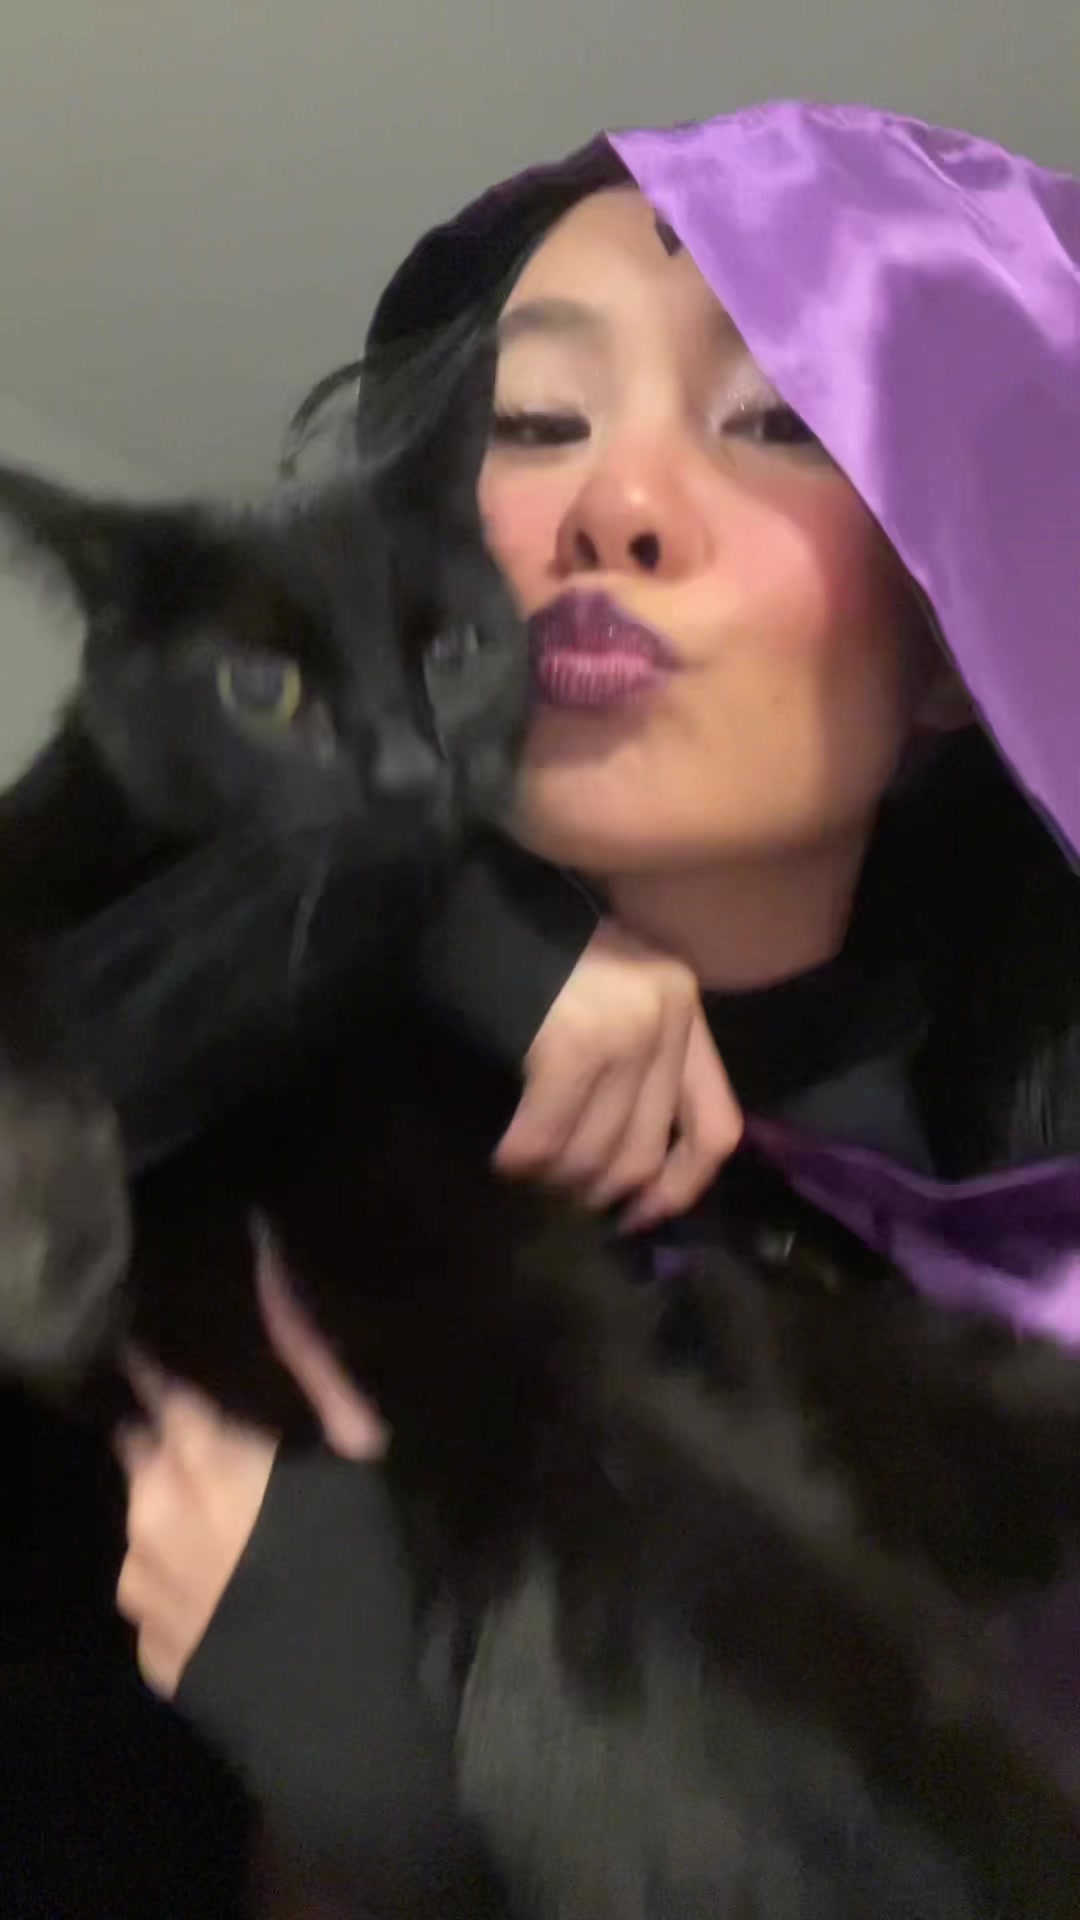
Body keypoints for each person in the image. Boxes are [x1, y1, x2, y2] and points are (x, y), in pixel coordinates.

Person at [115, 99, 1080, 1907]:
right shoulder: (234, 1044)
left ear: (959, 622)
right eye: (538, 422)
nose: (610, 507)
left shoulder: (1021, 1321)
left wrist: (385, 1799)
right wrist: (455, 927)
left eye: (779, 422)